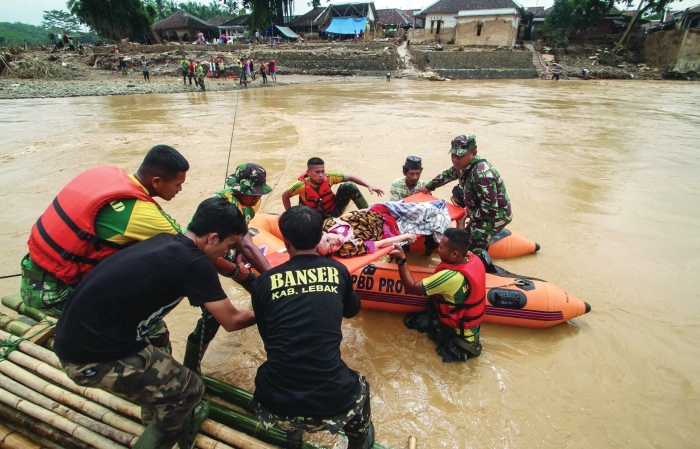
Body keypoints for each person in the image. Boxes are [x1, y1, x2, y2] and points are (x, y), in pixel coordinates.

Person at [55, 197, 257, 449]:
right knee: (190, 389)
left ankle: (157, 419)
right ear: (213, 238)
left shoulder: (166, 241)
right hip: (89, 356)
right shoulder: (194, 263)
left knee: (160, 338)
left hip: (73, 334)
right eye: (228, 245)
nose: (226, 253)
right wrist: (274, 307)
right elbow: (232, 320)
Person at [250, 206, 375, 449]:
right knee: (362, 388)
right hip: (333, 399)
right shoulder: (337, 271)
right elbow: (352, 311)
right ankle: (359, 440)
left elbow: (268, 337)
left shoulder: (263, 282)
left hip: (275, 400)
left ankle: (293, 436)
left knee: (276, 369)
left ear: (285, 240)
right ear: (320, 236)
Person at [21, 145, 188, 317]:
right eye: (178, 184)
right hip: (55, 294)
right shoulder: (142, 213)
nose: (179, 189)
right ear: (156, 182)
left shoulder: (103, 174)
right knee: (147, 327)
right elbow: (190, 248)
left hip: (32, 275)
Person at [182, 163, 273, 371]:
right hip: (197, 256)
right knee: (212, 317)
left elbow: (242, 238)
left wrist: (240, 259)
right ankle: (190, 369)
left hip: (223, 248)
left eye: (259, 194)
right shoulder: (222, 208)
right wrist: (233, 270)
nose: (256, 198)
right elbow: (208, 249)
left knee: (259, 287)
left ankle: (267, 327)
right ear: (238, 189)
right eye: (252, 194)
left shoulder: (251, 202)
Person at [389, 227, 486, 362]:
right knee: (416, 321)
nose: (438, 249)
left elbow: (411, 288)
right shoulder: (472, 258)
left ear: (455, 254)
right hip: (468, 329)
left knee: (410, 323)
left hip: (459, 342)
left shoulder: (450, 277)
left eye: (441, 247)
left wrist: (401, 259)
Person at [419, 135, 512, 258]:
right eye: (453, 155)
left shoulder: (482, 176)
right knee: (467, 237)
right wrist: (428, 187)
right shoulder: (463, 166)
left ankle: (478, 264)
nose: (455, 159)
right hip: (480, 209)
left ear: (473, 153)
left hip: (494, 216)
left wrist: (468, 215)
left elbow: (490, 210)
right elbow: (448, 174)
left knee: (468, 250)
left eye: (460, 156)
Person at [317, 199, 450, 258]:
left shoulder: (328, 224)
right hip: (388, 229)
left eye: (328, 240)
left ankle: (440, 206)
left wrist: (367, 209)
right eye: (330, 248)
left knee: (425, 209)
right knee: (429, 216)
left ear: (324, 233)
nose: (333, 243)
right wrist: (406, 236)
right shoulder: (348, 248)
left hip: (379, 211)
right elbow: (379, 244)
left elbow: (350, 215)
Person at [282, 157, 383, 219]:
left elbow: (351, 177)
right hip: (314, 219)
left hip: (333, 211)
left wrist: (369, 186)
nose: (321, 175)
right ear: (308, 172)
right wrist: (290, 215)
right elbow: (285, 196)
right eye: (317, 172)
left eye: (322, 171)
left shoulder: (329, 178)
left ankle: (371, 217)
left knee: (349, 185)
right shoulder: (300, 185)